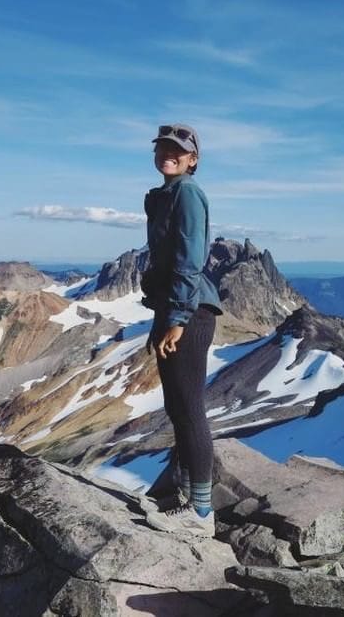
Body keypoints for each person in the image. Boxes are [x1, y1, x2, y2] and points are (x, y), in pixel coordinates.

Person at [139, 122, 224, 537]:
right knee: (177, 407)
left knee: (189, 409)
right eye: (162, 148)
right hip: (174, 308)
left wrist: (176, 318)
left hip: (189, 312)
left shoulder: (187, 193)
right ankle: (188, 497)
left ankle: (201, 515)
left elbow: (191, 257)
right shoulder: (165, 196)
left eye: (177, 150)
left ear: (193, 159)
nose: (167, 154)